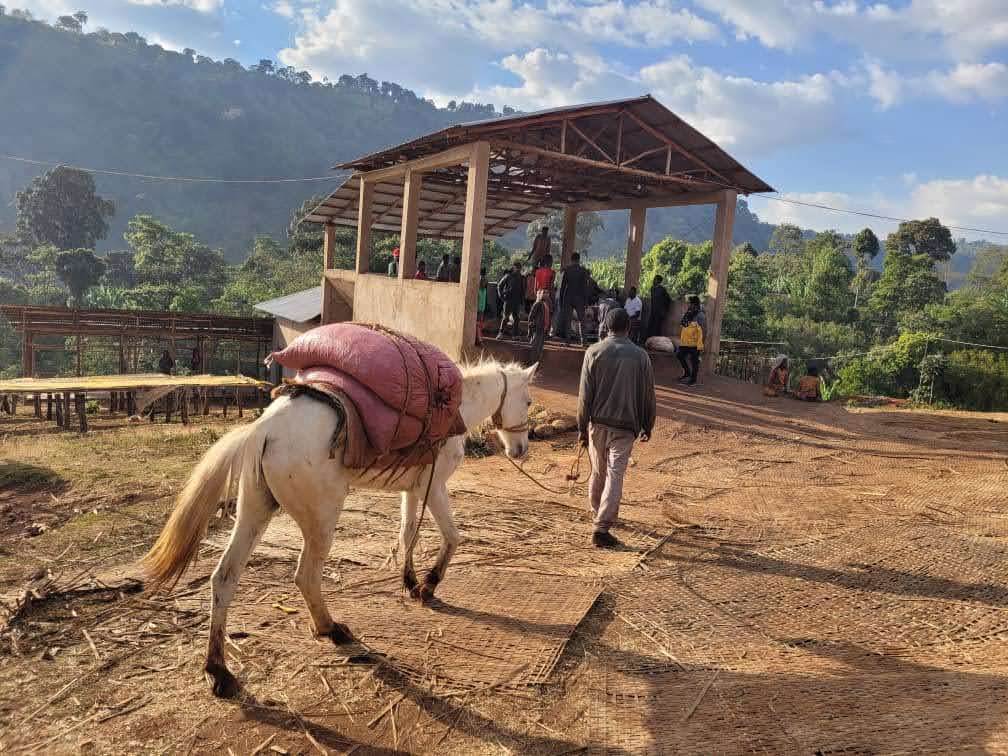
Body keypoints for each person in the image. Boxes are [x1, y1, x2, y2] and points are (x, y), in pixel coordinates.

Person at [577, 308, 656, 548]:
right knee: (615, 475)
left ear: (606, 326)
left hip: (597, 424)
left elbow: (584, 395)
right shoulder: (641, 356)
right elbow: (647, 394)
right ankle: (601, 527)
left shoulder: (593, 352)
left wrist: (582, 428)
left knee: (599, 472)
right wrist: (647, 423)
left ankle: (597, 512)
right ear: (628, 328)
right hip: (625, 428)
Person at [554, 252, 591, 345]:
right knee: (581, 320)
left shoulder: (567, 270)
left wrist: (561, 300)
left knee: (568, 320)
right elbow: (585, 287)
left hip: (568, 297)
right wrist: (586, 301)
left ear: (571, 260)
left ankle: (567, 341)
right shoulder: (583, 270)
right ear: (579, 260)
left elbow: (563, 287)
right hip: (580, 298)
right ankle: (584, 341)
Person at [497, 261, 525, 339]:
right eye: (517, 268)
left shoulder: (521, 277)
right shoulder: (508, 276)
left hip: (517, 301)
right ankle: (500, 333)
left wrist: (522, 301)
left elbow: (523, 290)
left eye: (520, 268)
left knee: (516, 318)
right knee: (505, 317)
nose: (519, 269)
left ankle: (515, 335)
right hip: (508, 300)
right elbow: (499, 285)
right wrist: (501, 296)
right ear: (514, 267)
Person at [677, 314, 703, 386]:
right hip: (685, 344)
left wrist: (700, 347)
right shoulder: (686, 323)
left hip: (695, 345)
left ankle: (693, 380)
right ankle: (687, 372)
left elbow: (700, 335)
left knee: (694, 362)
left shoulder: (698, 321)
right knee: (679, 355)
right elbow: (683, 334)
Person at [528, 288, 549, 361]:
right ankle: (532, 361)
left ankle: (536, 362)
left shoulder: (546, 304)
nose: (545, 295)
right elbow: (531, 316)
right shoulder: (538, 303)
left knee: (539, 347)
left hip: (543, 329)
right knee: (535, 346)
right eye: (543, 293)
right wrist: (530, 328)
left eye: (547, 293)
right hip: (537, 328)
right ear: (539, 294)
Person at [476, 268, 488, 345]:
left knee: (479, 324)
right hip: (479, 309)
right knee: (478, 324)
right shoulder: (481, 291)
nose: (483, 283)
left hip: (480, 309)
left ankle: (479, 339)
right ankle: (479, 339)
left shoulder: (482, 290)